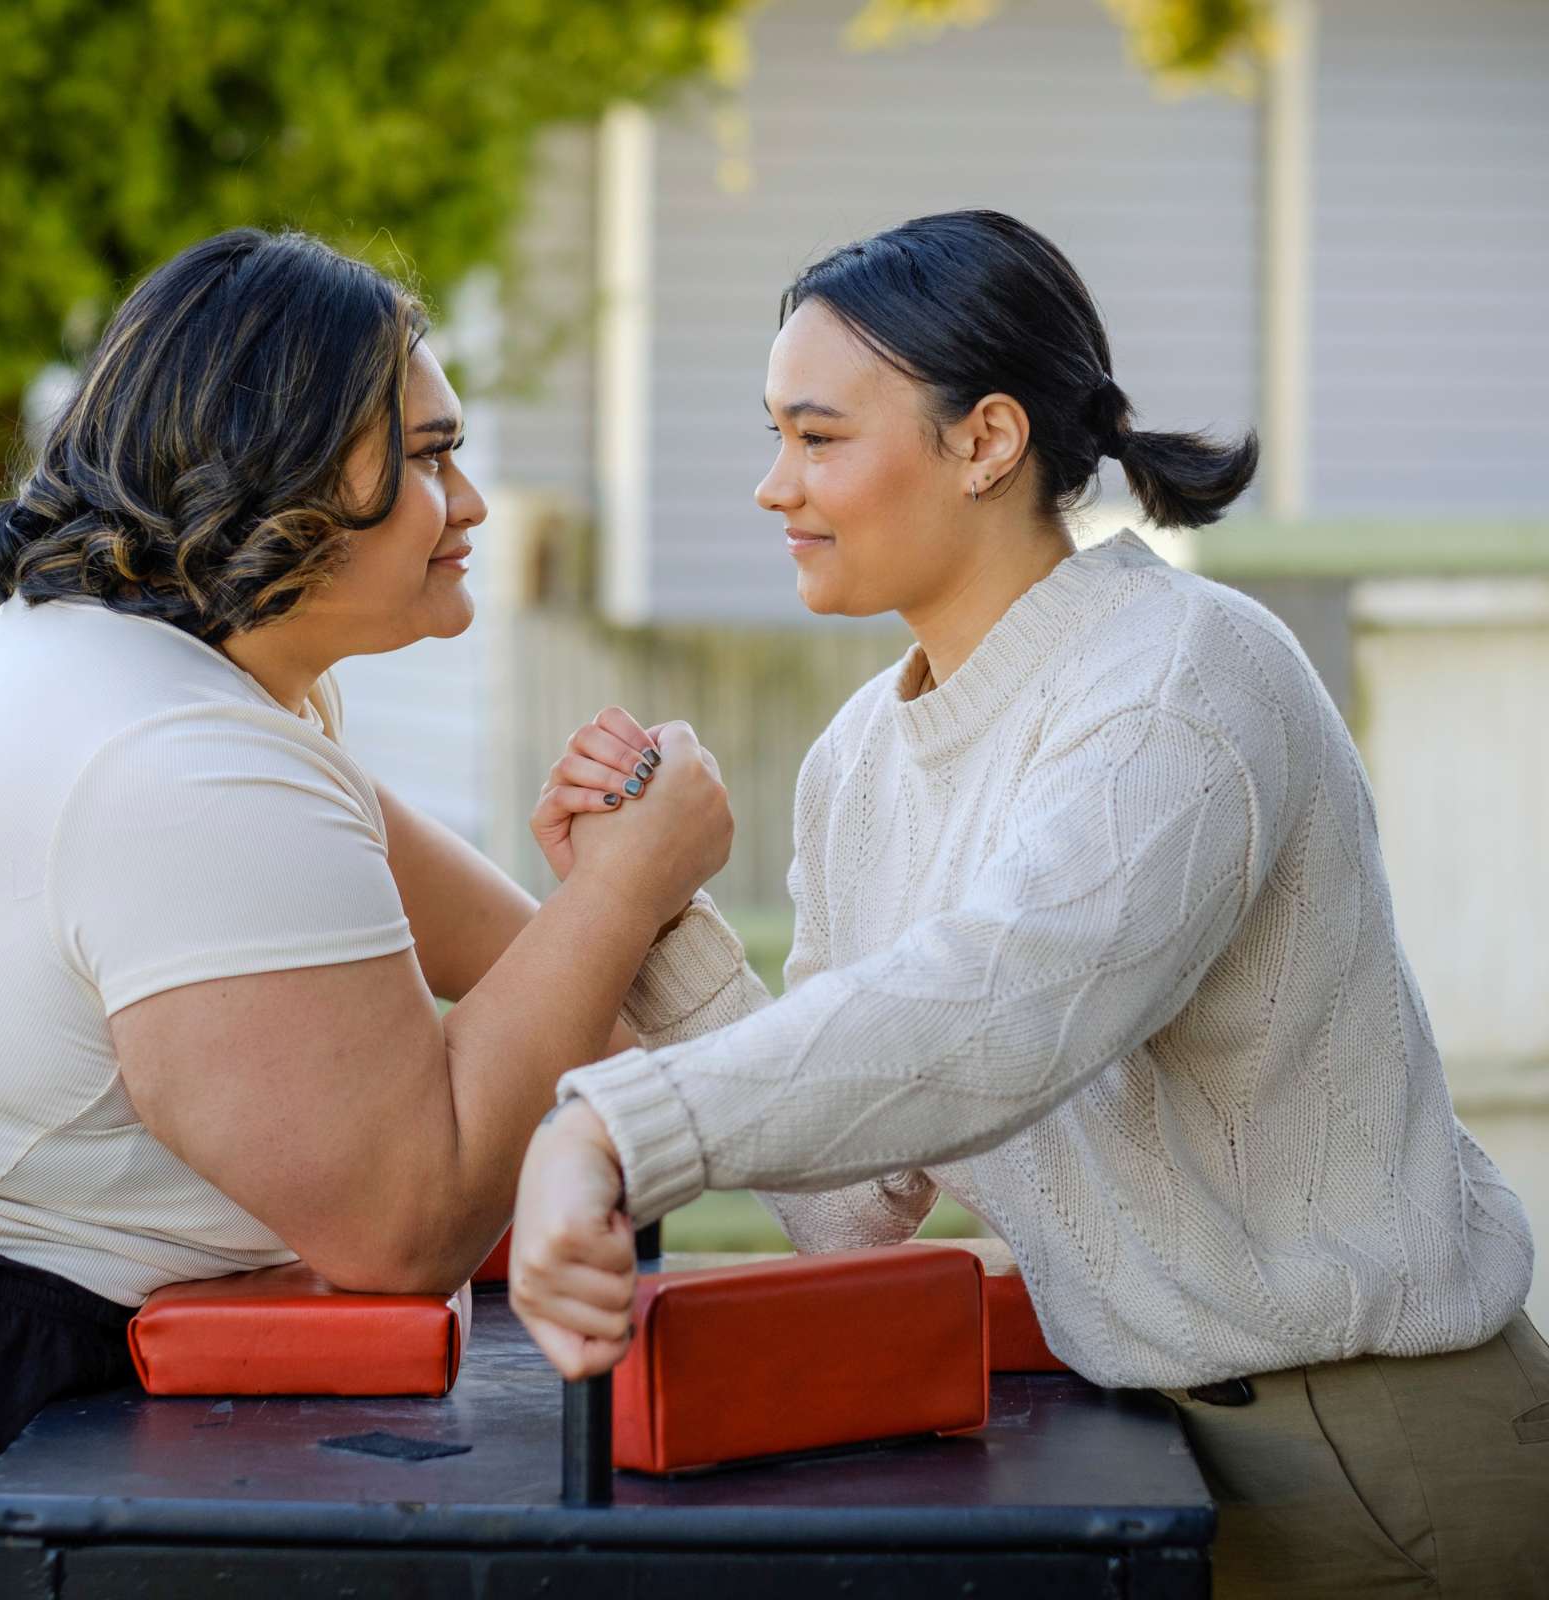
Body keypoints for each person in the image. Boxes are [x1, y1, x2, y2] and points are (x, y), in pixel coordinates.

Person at [0, 227, 731, 1598]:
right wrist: (626, 881)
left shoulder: (167, 679)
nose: (474, 504)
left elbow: (578, 1018)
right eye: (434, 456)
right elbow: (401, 1222)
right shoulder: (176, 758)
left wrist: (633, 921)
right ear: (294, 473)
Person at [507, 210, 1546, 1598]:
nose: (773, 486)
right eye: (776, 436)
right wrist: (649, 919)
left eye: (819, 439)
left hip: (1378, 1452)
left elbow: (1005, 1013)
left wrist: (612, 1130)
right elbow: (848, 1211)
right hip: (1131, 1451)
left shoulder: (1183, 678)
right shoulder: (862, 757)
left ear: (988, 441)